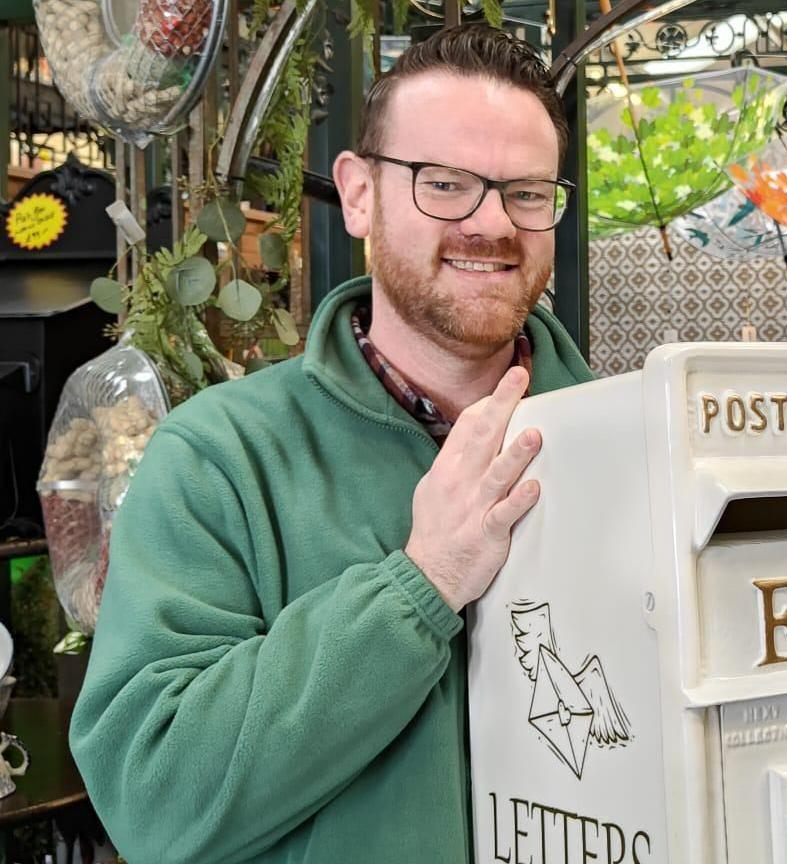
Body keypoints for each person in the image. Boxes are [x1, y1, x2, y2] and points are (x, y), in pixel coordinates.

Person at [68, 25, 592, 864]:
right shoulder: (220, 460)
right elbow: (152, 794)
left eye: (528, 193)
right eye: (445, 184)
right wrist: (421, 586)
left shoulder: (627, 436)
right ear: (358, 195)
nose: (492, 224)